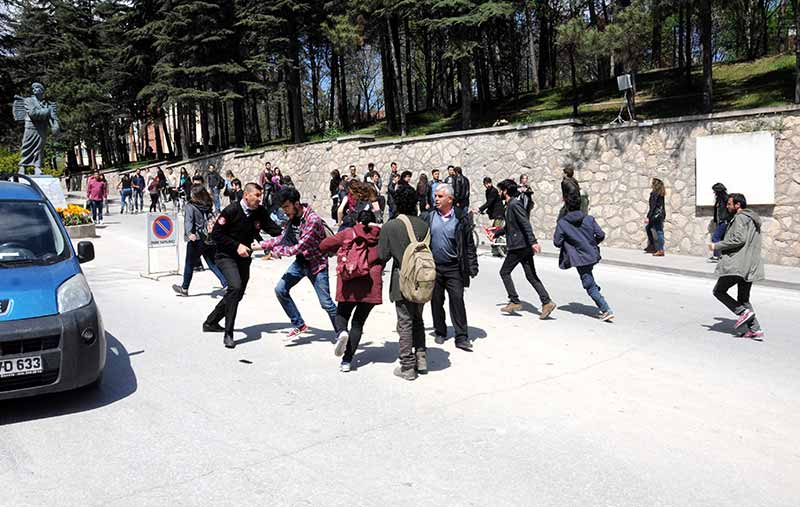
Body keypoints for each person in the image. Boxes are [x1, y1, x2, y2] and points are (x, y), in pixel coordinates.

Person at [204, 183, 282, 348]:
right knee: (235, 287)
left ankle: (210, 322)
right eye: (257, 195)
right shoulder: (231, 211)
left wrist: (289, 233)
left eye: (260, 196)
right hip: (225, 256)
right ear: (246, 195)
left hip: (244, 258)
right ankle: (228, 333)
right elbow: (217, 234)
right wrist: (236, 246)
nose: (259, 199)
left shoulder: (259, 211)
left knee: (237, 294)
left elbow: (272, 228)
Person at [261, 187, 339, 338]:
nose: (284, 211)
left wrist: (277, 252)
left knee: (326, 304)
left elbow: (299, 247)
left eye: (286, 207)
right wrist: (261, 245)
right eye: (282, 208)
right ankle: (299, 324)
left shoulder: (313, 220)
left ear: (296, 203)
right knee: (280, 290)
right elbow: (282, 238)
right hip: (300, 263)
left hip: (317, 266)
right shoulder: (292, 218)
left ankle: (341, 332)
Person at [320, 208, 384, 373]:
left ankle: (341, 332)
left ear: (357, 221)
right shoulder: (381, 236)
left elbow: (324, 245)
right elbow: (387, 254)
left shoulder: (349, 233)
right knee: (358, 323)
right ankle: (347, 360)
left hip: (349, 281)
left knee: (342, 315)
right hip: (371, 284)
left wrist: (339, 250)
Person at [378, 184, 430, 381]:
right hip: (423, 279)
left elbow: (382, 254)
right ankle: (422, 358)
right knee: (418, 319)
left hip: (402, 280)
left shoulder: (391, 226)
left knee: (405, 321)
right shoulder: (424, 225)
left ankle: (407, 366)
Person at [423, 184, 478, 352]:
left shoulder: (461, 218)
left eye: (440, 196)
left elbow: (468, 245)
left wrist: (472, 265)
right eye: (436, 196)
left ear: (450, 199)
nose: (436, 199)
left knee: (457, 300)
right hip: (435, 267)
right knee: (436, 301)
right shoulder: (429, 217)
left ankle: (461, 336)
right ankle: (440, 330)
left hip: (454, 268)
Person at [492, 179, 556, 319]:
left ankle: (514, 300)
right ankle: (547, 302)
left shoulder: (514, 204)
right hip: (522, 245)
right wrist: (496, 233)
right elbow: (510, 226)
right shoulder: (510, 205)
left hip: (519, 246)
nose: (499, 193)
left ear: (506, 191)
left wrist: (533, 241)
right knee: (531, 276)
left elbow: (525, 223)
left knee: (504, 272)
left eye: (500, 190)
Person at [710, 193, 765, 340]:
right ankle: (755, 329)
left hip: (738, 264)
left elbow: (738, 239)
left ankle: (742, 313)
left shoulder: (740, 218)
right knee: (743, 299)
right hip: (750, 264)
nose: (727, 207)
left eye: (729, 204)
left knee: (719, 291)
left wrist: (717, 245)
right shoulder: (753, 219)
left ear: (737, 205)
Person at [554, 194, 614, 322]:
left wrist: (570, 242)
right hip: (592, 254)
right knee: (589, 278)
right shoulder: (589, 218)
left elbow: (557, 242)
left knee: (589, 285)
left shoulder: (562, 223)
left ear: (567, 207)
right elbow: (601, 234)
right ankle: (597, 291)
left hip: (580, 258)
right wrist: (591, 243)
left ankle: (606, 309)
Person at [173, 185, 227, 297]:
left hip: (196, 239)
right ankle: (226, 284)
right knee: (212, 263)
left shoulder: (190, 206)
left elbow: (188, 221)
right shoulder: (207, 204)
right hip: (209, 237)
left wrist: (189, 233)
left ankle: (184, 289)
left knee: (189, 264)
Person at [477, 177, 505, 256]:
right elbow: (490, 204)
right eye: (486, 184)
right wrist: (485, 211)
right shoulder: (487, 191)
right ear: (484, 184)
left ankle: (499, 250)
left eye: (489, 183)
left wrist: (480, 209)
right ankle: (496, 251)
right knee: (493, 232)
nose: (488, 185)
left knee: (496, 232)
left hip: (499, 213)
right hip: (495, 213)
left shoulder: (493, 191)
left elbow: (490, 202)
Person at [645, 178, 666, 257]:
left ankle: (659, 250)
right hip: (660, 215)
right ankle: (653, 246)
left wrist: (648, 217)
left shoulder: (654, 193)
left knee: (659, 232)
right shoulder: (661, 193)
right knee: (650, 228)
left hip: (655, 215)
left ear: (655, 185)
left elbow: (653, 207)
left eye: (652, 183)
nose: (651, 184)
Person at [709, 182, 729, 262]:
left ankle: (716, 256)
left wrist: (726, 219)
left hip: (724, 221)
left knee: (715, 237)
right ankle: (721, 256)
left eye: (715, 191)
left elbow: (729, 210)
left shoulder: (725, 198)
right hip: (720, 221)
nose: (714, 193)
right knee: (721, 239)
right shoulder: (719, 199)